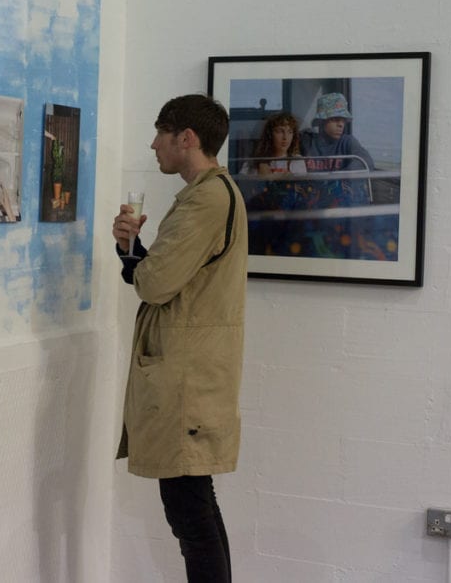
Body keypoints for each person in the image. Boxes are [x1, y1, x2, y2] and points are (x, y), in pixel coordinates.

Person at [112, 94, 247, 582]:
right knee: (197, 508)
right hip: (194, 369)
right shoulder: (213, 193)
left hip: (188, 378)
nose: (153, 145)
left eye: (160, 134)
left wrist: (133, 258)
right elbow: (164, 275)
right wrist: (132, 250)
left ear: (185, 138)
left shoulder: (207, 199)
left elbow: (153, 283)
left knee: (190, 514)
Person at [301, 92, 375, 172]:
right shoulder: (307, 141)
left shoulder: (347, 142)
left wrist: (343, 179)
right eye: (335, 119)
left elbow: (367, 162)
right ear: (321, 121)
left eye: (343, 120)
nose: (341, 124)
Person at [241, 112, 307, 175]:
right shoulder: (253, 162)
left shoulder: (297, 161)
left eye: (290, 132)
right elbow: (241, 183)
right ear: (269, 135)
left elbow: (300, 184)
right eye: (280, 131)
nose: (285, 137)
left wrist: (269, 176)